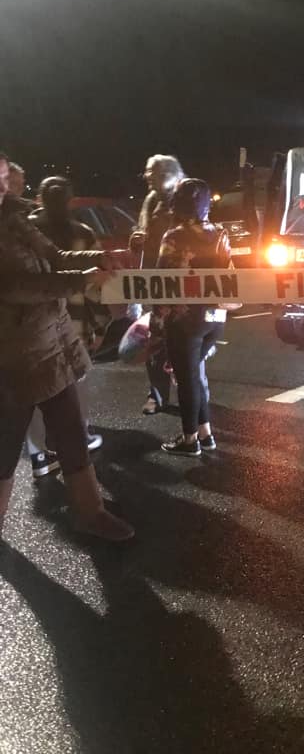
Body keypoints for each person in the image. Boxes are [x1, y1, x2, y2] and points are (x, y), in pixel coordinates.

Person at [0, 153, 133, 543]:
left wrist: (97, 258)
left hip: (50, 346)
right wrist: (80, 282)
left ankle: (91, 513)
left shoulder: (16, 219)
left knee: (73, 435)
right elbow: (15, 286)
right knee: (5, 446)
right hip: (12, 357)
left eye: (5, 178)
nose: (5, 186)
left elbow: (55, 258)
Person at [24, 176, 110, 477]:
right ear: (70, 201)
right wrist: (100, 324)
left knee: (36, 391)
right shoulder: (82, 233)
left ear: (39, 198)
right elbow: (96, 287)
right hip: (73, 322)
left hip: (33, 323)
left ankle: (39, 456)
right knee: (76, 382)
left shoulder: (26, 229)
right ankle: (77, 442)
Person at [152, 178, 231, 457]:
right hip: (215, 318)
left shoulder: (173, 237)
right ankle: (206, 433)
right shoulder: (221, 233)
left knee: (186, 381)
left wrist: (156, 321)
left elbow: (161, 283)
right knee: (195, 375)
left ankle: (189, 440)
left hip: (185, 320)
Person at [130, 154, 185, 415]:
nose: (146, 176)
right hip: (155, 283)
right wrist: (136, 241)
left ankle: (190, 392)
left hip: (184, 286)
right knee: (155, 340)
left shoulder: (186, 195)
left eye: (151, 171)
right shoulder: (152, 200)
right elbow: (141, 233)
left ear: (166, 174)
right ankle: (157, 395)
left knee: (185, 342)